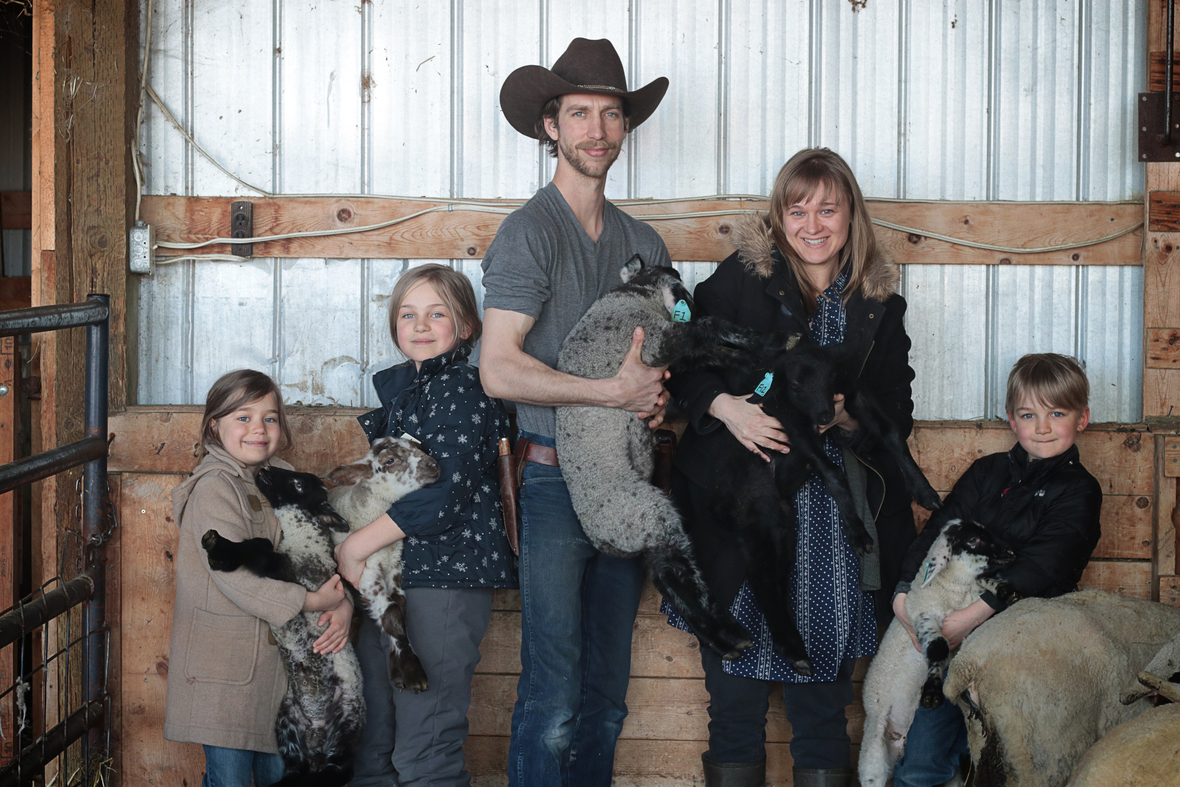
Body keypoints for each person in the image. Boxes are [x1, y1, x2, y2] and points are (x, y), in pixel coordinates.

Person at [665, 147, 920, 787]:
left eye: (828, 209)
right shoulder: (737, 283)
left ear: (850, 216)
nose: (813, 224)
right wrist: (729, 410)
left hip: (832, 532)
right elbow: (684, 362)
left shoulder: (877, 302)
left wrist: (847, 420)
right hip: (738, 517)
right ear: (779, 219)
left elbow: (897, 406)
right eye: (797, 209)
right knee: (734, 708)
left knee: (821, 712)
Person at [478, 37, 672, 787]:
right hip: (553, 483)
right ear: (550, 127)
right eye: (580, 113)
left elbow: (654, 366)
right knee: (553, 693)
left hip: (624, 481)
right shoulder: (529, 232)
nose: (597, 129)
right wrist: (609, 393)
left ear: (625, 128)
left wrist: (654, 397)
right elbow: (498, 367)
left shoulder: (642, 241)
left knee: (606, 695)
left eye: (612, 114)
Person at [336, 264, 515, 787]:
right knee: (377, 740)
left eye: (437, 313)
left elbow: (446, 493)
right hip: (396, 578)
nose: (420, 324)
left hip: (444, 577)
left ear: (466, 327)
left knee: (425, 742)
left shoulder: (462, 388)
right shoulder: (411, 393)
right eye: (408, 314)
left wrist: (356, 547)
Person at [890, 352, 1102, 787]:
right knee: (922, 758)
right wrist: (902, 596)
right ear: (1011, 419)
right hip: (953, 633)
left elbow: (1045, 563)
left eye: (1056, 413)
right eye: (1029, 414)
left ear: (1082, 419)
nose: (1042, 427)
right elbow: (940, 531)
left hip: (1025, 636)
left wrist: (969, 620)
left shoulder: (1079, 490)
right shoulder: (987, 473)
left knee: (1001, 759)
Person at [164, 370, 353, 787]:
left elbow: (319, 553)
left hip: (280, 678)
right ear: (215, 425)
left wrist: (342, 604)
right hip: (225, 673)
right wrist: (310, 602)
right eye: (243, 418)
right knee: (229, 780)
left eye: (269, 418)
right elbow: (233, 576)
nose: (258, 429)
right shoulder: (215, 487)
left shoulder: (284, 479)